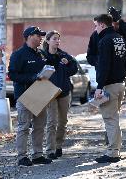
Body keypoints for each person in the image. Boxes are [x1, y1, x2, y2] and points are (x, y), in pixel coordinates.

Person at [86, 7, 126, 154]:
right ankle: (112, 144)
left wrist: (120, 21)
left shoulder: (122, 31)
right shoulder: (97, 35)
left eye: (115, 22)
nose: (114, 25)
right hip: (109, 76)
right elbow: (90, 56)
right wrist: (103, 63)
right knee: (111, 111)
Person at [8, 26, 53, 166]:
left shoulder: (41, 54)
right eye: (38, 36)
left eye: (41, 36)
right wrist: (33, 77)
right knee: (24, 127)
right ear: (29, 36)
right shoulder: (18, 54)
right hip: (25, 96)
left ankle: (37, 155)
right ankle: (22, 157)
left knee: (39, 126)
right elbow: (13, 75)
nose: (41, 38)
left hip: (41, 95)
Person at [93, 14, 126, 163]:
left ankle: (113, 152)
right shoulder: (119, 38)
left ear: (102, 25)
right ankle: (116, 149)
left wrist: (99, 87)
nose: (95, 29)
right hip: (120, 83)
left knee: (110, 119)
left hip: (110, 85)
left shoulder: (105, 40)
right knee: (115, 118)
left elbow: (104, 65)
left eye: (95, 25)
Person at [41, 30, 78, 159]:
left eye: (58, 39)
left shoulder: (64, 55)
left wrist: (68, 64)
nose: (57, 41)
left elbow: (74, 69)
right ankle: (50, 150)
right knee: (52, 122)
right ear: (47, 41)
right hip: (49, 92)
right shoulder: (42, 56)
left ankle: (58, 146)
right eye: (54, 39)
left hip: (64, 92)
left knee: (62, 122)